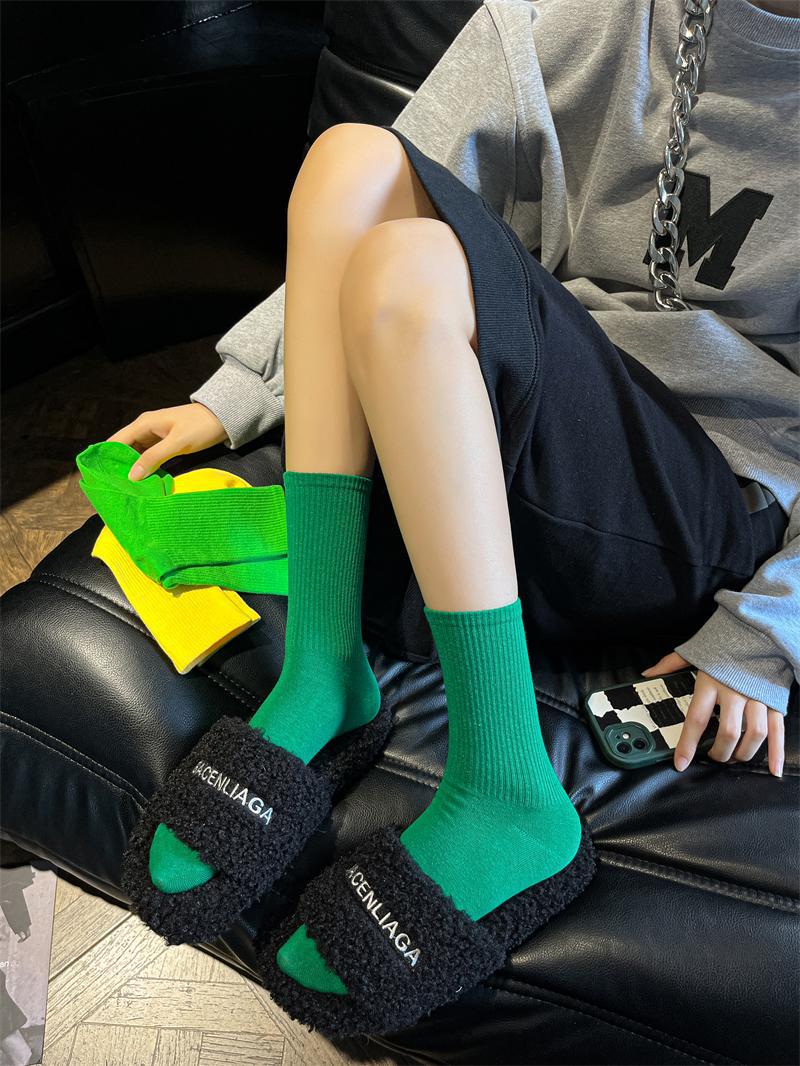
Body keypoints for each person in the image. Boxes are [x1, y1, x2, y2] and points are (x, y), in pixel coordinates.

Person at [108, 0, 799, 1001]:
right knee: (349, 158)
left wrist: (767, 633)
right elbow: (378, 187)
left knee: (411, 263)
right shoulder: (590, 17)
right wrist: (243, 388)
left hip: (702, 501)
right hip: (508, 444)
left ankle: (506, 784)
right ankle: (323, 672)